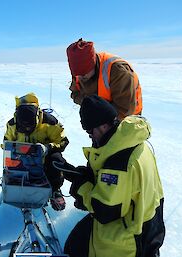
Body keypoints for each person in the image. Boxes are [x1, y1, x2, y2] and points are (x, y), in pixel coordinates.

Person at [63, 95, 165, 257]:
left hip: (128, 240)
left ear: (103, 126)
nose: (90, 136)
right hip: (150, 226)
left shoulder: (118, 163)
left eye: (90, 132)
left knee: (74, 249)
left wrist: (81, 185)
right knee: (77, 238)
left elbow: (104, 212)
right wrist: (88, 175)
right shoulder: (133, 141)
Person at [3, 93, 69, 211]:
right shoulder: (12, 125)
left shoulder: (50, 122)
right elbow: (6, 144)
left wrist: (47, 148)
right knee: (9, 159)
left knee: (56, 159)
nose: (27, 129)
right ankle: (14, 182)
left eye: (30, 126)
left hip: (44, 161)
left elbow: (63, 141)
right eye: (24, 127)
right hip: (21, 161)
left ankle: (55, 190)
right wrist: (15, 149)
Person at [66, 38, 143, 120]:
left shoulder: (118, 70)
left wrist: (99, 117)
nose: (80, 78)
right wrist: (89, 105)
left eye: (84, 74)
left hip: (129, 121)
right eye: (77, 75)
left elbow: (125, 109)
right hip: (101, 119)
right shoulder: (78, 73)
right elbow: (75, 93)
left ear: (93, 64)